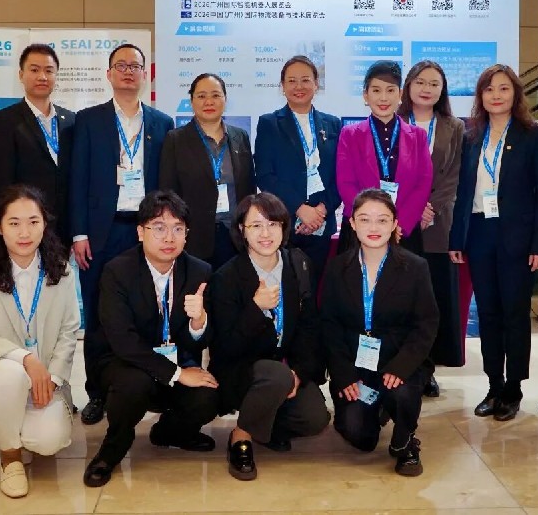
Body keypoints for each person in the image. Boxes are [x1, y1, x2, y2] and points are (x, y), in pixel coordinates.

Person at [83, 191, 218, 488]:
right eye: (159, 227)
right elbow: (123, 342)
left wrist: (199, 321)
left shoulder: (200, 271)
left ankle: (169, 433)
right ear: (140, 232)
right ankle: (112, 449)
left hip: (174, 361)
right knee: (135, 383)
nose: (169, 237)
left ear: (186, 235)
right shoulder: (117, 271)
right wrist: (178, 374)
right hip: (124, 364)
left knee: (209, 393)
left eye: (178, 228)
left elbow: (199, 341)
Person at [69, 43, 174, 426]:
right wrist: (78, 233)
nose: (128, 71)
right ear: (109, 74)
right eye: (121, 65)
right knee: (99, 314)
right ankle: (97, 392)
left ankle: (150, 386)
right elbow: (78, 179)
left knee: (148, 309)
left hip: (147, 231)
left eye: (135, 65)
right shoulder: (89, 120)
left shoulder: (162, 123)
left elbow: (167, 183)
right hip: (102, 231)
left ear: (146, 74)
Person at [0, 185, 80, 497]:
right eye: (14, 223)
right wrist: (25, 359)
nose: (24, 232)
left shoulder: (61, 272)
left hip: (42, 380)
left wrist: (52, 378)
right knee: (11, 374)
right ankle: (10, 457)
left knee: (48, 441)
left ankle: (16, 426)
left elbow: (69, 331)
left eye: (33, 222)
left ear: (45, 224)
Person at [449, 64, 538, 421]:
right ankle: (494, 384)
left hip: (517, 238)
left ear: (515, 94)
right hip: (479, 233)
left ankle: (514, 388)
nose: (496, 95)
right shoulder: (471, 136)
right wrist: (457, 237)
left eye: (504, 88)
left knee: (514, 313)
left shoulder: (533, 135)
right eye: (489, 89)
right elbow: (463, 191)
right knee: (488, 312)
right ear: (480, 95)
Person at [208, 193, 330, 481]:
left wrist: (299, 374)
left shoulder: (298, 265)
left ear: (284, 227)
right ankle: (241, 436)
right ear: (242, 230)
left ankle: (264, 425)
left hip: (284, 369)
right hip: (242, 371)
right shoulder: (226, 277)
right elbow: (225, 346)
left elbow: (310, 329)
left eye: (273, 224)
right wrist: (255, 308)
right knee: (275, 375)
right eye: (256, 225)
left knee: (315, 419)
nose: (265, 234)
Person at [322, 188, 438, 477]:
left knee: (401, 393)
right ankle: (379, 408)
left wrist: (402, 366)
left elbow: (426, 323)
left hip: (398, 360)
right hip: (356, 364)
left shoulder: (415, 267)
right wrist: (343, 373)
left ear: (395, 224)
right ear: (352, 223)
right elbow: (329, 324)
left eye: (382, 220)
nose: (373, 227)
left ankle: (405, 441)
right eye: (365, 219)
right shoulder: (337, 268)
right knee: (359, 436)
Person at [398, 59, 466, 397]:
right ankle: (402, 366)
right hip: (400, 224)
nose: (427, 89)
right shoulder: (393, 122)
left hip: (437, 224)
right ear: (408, 86)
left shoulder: (454, 127)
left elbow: (454, 175)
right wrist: (409, 209)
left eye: (434, 84)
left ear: (442, 90)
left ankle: (427, 370)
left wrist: (429, 207)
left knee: (434, 299)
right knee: (403, 299)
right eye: (421, 82)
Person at [254, 56, 342, 281]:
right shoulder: (269, 123)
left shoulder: (333, 124)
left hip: (322, 224)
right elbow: (265, 175)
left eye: (305, 80)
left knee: (314, 288)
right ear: (282, 86)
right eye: (292, 81)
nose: (299, 86)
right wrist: (300, 209)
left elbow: (340, 175)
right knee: (285, 288)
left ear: (316, 84)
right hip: (284, 224)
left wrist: (321, 210)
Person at [335, 60, 432, 255]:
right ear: (366, 95)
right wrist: (370, 221)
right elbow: (346, 183)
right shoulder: (349, 134)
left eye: (390, 90)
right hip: (360, 229)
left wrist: (398, 224)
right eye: (376, 90)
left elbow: (423, 183)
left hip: (403, 231)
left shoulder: (418, 136)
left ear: (400, 94)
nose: (383, 98)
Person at [160, 73, 256, 270]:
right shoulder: (176, 139)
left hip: (234, 236)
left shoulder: (240, 136)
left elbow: (248, 188)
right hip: (193, 238)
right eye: (201, 96)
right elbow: (167, 192)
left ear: (225, 99)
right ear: (192, 101)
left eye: (215, 95)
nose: (209, 102)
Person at [0, 43, 76, 244]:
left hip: (65, 227)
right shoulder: (4, 120)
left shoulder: (71, 120)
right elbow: (1, 181)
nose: (42, 77)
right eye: (34, 70)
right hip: (24, 227)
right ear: (21, 75)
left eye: (49, 71)